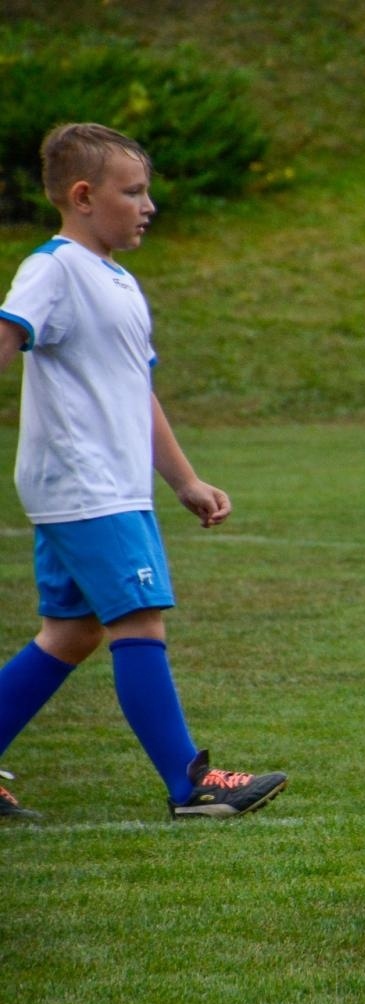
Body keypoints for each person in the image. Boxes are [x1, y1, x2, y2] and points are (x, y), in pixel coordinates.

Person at [0, 124, 287, 821]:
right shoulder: (55, 269)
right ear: (83, 196)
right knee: (140, 620)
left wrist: (185, 480)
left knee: (72, 633)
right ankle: (191, 785)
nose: (148, 205)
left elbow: (138, 392)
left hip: (108, 486)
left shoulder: (119, 282)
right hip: (85, 483)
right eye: (133, 192)